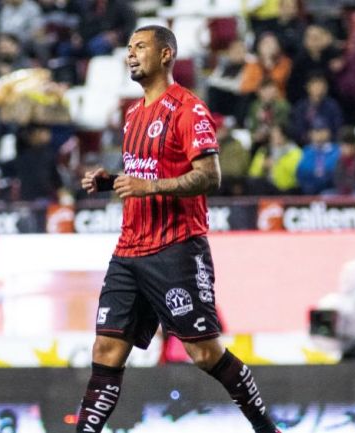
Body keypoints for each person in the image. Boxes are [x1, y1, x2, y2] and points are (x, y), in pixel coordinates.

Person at [78, 25, 279, 433]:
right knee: (106, 347)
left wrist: (146, 186)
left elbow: (209, 175)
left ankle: (266, 428)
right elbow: (148, 171)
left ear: (166, 54)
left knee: (204, 354)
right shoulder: (133, 114)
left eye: (140, 47)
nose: (130, 54)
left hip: (176, 248)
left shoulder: (190, 110)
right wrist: (110, 179)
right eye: (128, 48)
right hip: (130, 249)